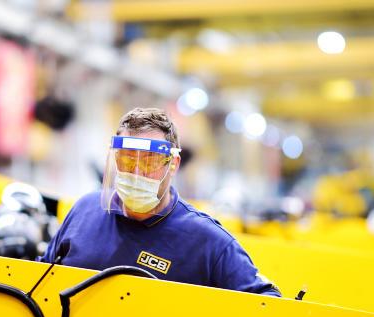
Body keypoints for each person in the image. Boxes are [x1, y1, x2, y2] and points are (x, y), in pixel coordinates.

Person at [40, 107, 281, 296]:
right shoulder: (84, 211)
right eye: (127, 160)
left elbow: (267, 304)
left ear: (173, 164)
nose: (136, 172)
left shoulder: (207, 241)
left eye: (149, 162)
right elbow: (41, 281)